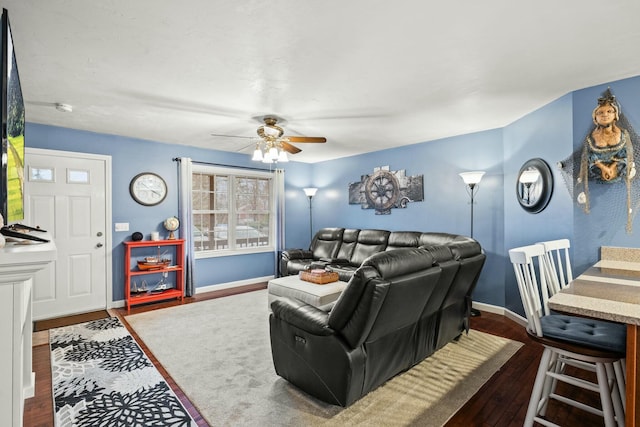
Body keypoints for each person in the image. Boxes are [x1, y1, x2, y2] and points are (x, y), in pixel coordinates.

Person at [577, 93, 636, 231]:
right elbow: (589, 157)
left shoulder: (622, 134)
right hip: (598, 170)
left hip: (617, 168)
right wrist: (603, 168)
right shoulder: (591, 138)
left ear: (615, 115)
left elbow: (627, 155)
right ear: (595, 118)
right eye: (600, 112)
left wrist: (612, 167)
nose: (605, 115)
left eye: (609, 111)